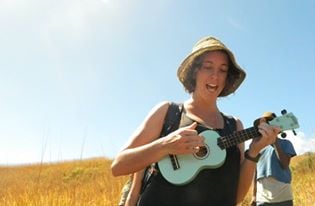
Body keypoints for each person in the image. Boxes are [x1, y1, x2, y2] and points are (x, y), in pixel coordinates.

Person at [111, 36, 280, 206]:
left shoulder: (235, 126)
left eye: (222, 70)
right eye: (208, 67)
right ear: (194, 71)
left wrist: (254, 152)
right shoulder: (168, 112)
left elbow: (234, 198)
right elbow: (118, 166)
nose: (215, 76)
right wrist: (164, 146)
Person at [251, 112, 297, 206]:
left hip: (283, 197)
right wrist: (254, 196)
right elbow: (256, 173)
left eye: (269, 123)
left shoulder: (286, 144)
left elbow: (284, 164)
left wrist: (274, 140)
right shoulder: (258, 147)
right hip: (262, 198)